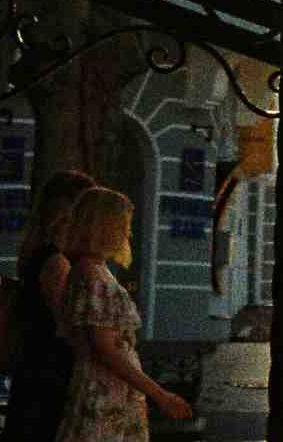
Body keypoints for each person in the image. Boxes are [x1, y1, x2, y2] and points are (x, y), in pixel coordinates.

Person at [55, 187, 194, 441]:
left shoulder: (93, 270)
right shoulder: (92, 275)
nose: (128, 232)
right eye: (123, 224)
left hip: (111, 392)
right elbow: (105, 349)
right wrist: (160, 394)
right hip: (104, 394)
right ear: (105, 226)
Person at [5, 169, 94, 441]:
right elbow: (68, 323)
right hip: (49, 379)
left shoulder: (39, 253)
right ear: (69, 212)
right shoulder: (55, 262)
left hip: (36, 373)